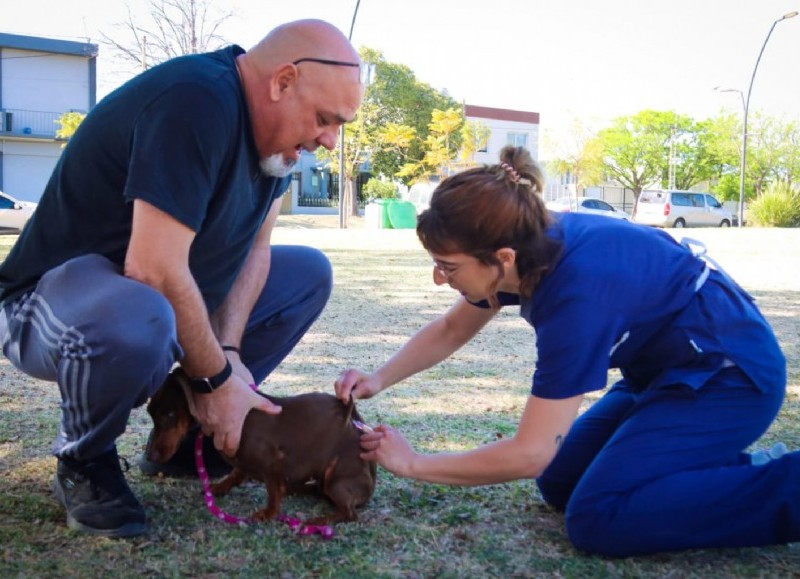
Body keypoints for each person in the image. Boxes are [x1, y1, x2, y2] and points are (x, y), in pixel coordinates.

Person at [0, 19, 364, 538]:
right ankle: (84, 458)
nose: (329, 141)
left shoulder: (277, 147)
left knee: (307, 273)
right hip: (48, 305)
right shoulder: (196, 101)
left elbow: (255, 249)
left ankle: (188, 438)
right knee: (141, 312)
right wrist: (214, 380)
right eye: (326, 119)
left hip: (147, 301)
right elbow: (151, 267)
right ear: (282, 83)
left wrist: (231, 354)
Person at [335, 145, 794, 558]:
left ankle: (786, 484)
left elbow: (529, 452)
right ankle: (708, 466)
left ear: (503, 258)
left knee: (599, 517)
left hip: (730, 378)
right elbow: (453, 328)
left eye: (447, 267)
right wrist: (378, 378)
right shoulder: (528, 244)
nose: (439, 278)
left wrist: (414, 463)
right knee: (560, 481)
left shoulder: (576, 296)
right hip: (660, 375)